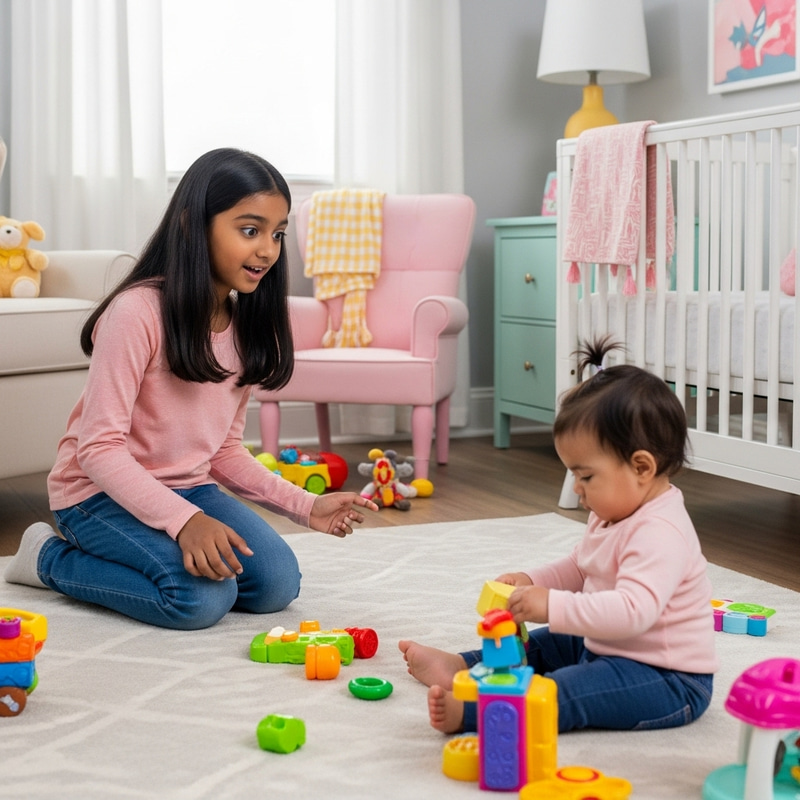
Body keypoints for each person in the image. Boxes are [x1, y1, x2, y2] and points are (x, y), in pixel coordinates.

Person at [4, 148, 378, 630]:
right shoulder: (136, 313)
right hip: (94, 495)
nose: (267, 249)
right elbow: (98, 449)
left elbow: (222, 450)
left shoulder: (245, 327)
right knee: (197, 598)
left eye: (278, 233)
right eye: (250, 230)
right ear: (191, 225)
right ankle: (47, 559)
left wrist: (306, 506)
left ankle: (155, 547)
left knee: (276, 584)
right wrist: (184, 523)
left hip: (189, 488)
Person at [399, 337, 717, 734]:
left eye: (586, 476)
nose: (578, 488)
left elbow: (635, 612)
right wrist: (534, 582)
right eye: (574, 475)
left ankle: (478, 714)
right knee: (548, 641)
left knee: (563, 689)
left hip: (665, 678)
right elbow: (580, 566)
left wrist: (552, 604)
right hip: (608, 645)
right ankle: (465, 665)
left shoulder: (660, 532)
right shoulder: (614, 510)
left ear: (641, 467)